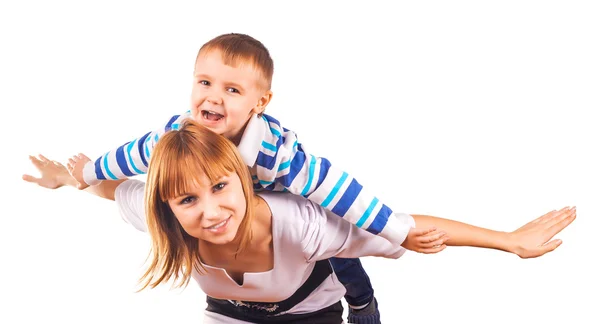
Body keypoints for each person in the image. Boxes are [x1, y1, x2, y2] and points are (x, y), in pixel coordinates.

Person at [23, 120, 576, 324]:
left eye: (221, 187)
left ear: (246, 179)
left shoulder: (298, 221)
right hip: (233, 313)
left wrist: (507, 241)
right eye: (187, 200)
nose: (210, 213)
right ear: (167, 206)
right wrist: (67, 179)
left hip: (311, 305)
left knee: (350, 267)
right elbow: (110, 188)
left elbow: (403, 225)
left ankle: (361, 303)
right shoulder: (161, 216)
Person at [64, 32, 439, 323]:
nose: (213, 98)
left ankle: (361, 299)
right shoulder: (178, 136)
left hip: (295, 220)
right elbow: (131, 155)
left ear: (259, 103)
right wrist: (86, 172)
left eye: (232, 90)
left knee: (339, 249)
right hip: (239, 230)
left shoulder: (280, 156)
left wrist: (396, 229)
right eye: (204, 83)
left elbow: (341, 191)